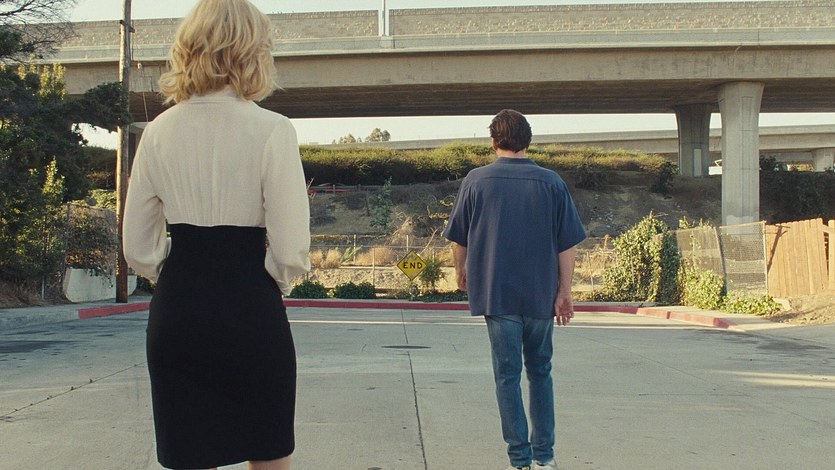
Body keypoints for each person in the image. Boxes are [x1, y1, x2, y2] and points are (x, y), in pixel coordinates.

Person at [123, 1, 310, 469]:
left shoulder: (158, 132)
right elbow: (290, 247)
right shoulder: (273, 130)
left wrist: (179, 269)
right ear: (253, 50)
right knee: (268, 451)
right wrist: (268, 282)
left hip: (179, 308)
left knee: (188, 453)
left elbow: (138, 247)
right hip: (251, 307)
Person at [443, 109, 586, 470]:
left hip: (497, 293)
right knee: (541, 372)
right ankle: (544, 457)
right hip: (540, 295)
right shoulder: (551, 183)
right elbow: (566, 244)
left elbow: (459, 238)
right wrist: (565, 291)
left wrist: (461, 271)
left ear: (494, 142)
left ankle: (519, 459)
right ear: (528, 141)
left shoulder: (476, 181)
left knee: (507, 376)